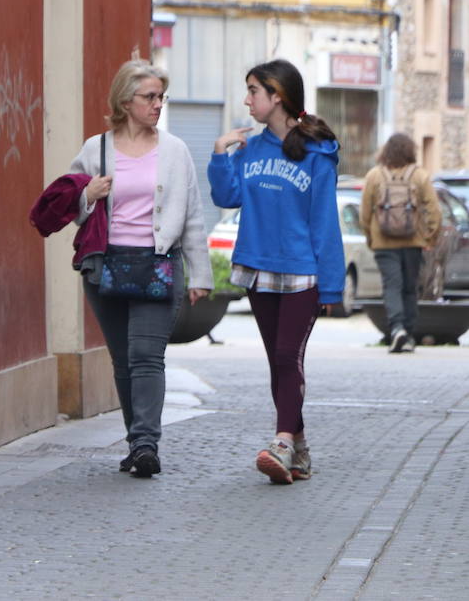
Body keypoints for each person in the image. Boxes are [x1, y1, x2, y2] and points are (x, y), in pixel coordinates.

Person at [69, 59, 212, 478]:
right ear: (125, 101)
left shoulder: (175, 151)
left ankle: (147, 444)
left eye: (160, 97)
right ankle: (137, 441)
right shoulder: (95, 150)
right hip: (107, 267)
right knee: (122, 360)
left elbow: (193, 216)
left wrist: (200, 274)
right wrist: (88, 196)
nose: (157, 105)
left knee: (147, 357)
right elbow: (67, 207)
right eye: (149, 97)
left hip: (158, 266)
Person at [208, 59, 342, 485]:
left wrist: (332, 285)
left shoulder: (318, 155)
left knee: (288, 355)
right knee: (277, 361)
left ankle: (283, 442)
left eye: (253, 91)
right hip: (257, 267)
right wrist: (219, 154)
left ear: (277, 96)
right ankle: (298, 449)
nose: (247, 100)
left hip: (302, 273)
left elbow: (324, 223)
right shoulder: (250, 149)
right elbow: (227, 196)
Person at [360, 133, 442, 354]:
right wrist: (430, 238)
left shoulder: (375, 175)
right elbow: (434, 210)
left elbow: (364, 213)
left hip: (383, 243)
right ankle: (408, 332)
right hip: (413, 241)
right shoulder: (419, 176)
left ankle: (397, 329)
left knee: (392, 286)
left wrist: (371, 237)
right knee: (409, 287)